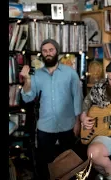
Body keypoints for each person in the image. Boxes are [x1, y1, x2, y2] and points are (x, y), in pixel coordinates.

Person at [20, 39, 83, 180]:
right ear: (41, 54)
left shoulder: (70, 73)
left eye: (51, 50)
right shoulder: (37, 75)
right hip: (45, 126)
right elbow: (27, 97)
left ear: (57, 52)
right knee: (44, 164)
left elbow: (78, 98)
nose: (48, 53)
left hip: (68, 124)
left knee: (69, 162)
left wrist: (78, 122)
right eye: (44, 51)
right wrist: (27, 80)